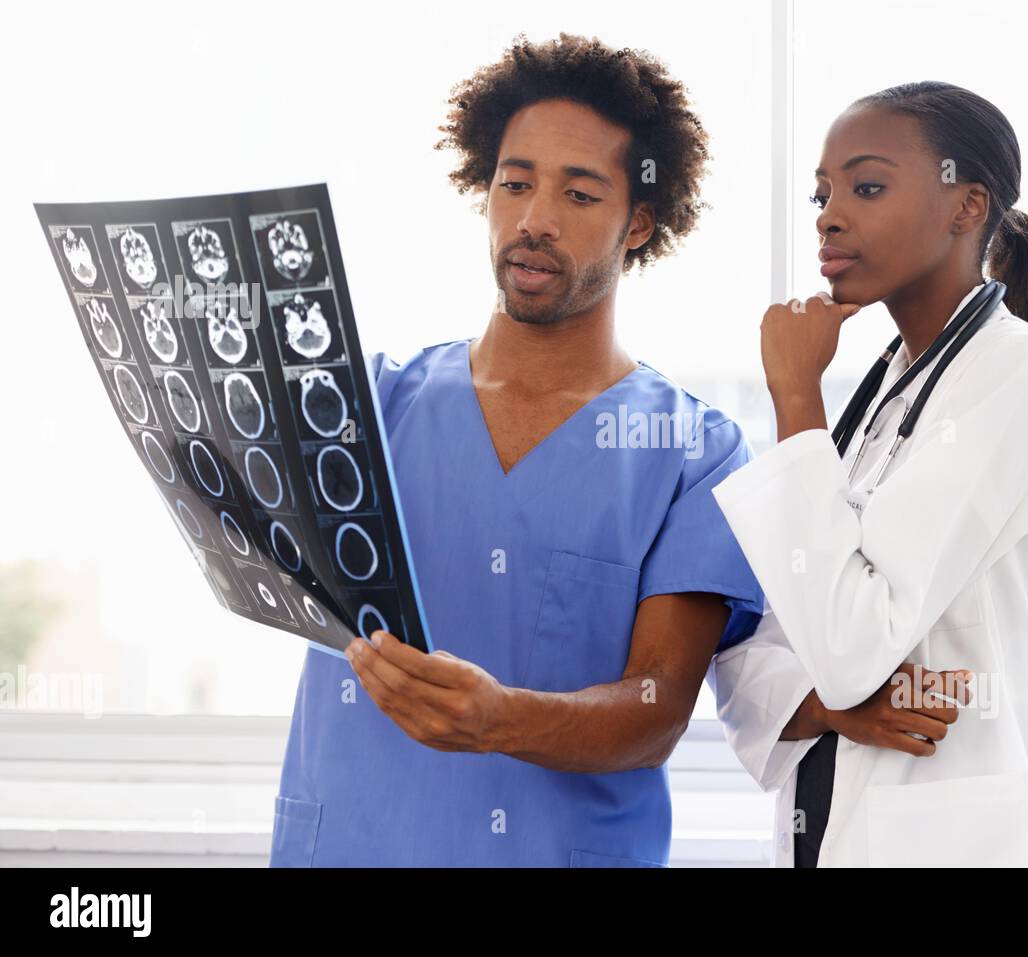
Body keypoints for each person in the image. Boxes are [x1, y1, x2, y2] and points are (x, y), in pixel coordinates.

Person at [270, 34, 764, 868]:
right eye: (515, 183)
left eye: (578, 193)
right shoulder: (366, 407)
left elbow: (658, 705)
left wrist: (502, 719)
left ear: (638, 221)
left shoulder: (691, 454)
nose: (535, 219)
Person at [708, 81, 1028, 867]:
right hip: (823, 820)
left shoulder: (1016, 370)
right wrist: (828, 705)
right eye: (821, 193)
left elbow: (850, 644)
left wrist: (793, 393)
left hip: (945, 831)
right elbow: (753, 650)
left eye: (868, 185)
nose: (828, 214)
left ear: (967, 206)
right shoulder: (883, 397)